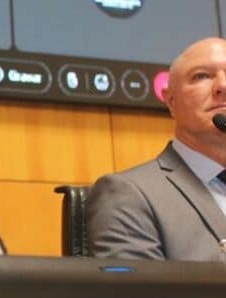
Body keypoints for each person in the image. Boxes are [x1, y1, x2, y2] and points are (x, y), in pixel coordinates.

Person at [86, 37, 226, 261]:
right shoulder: (127, 195)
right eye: (202, 76)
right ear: (171, 101)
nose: (222, 86)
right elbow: (139, 295)